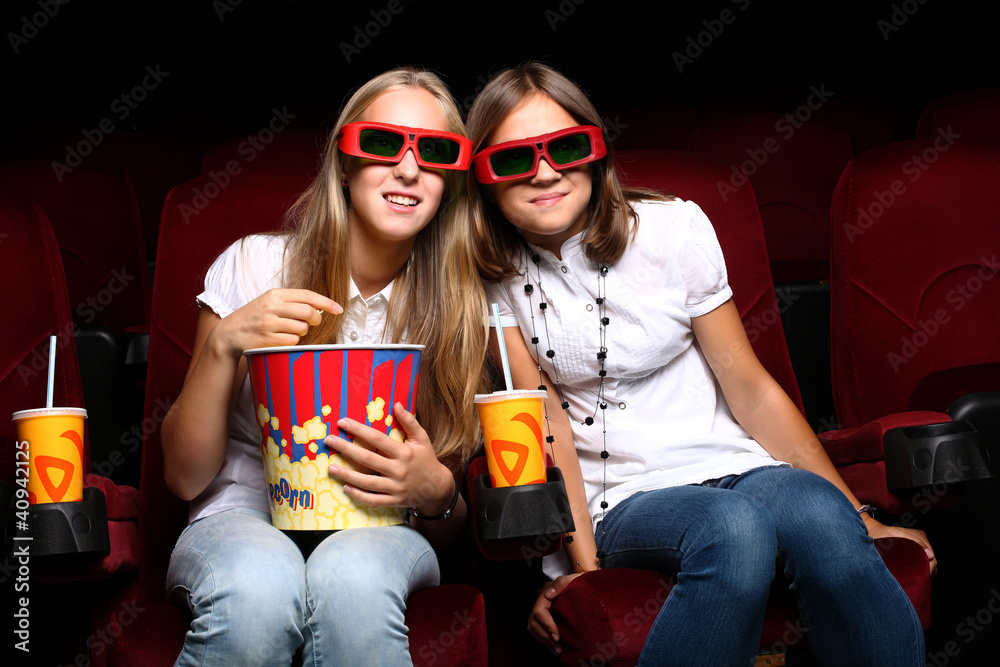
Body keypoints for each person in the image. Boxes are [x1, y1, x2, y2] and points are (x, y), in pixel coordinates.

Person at [466, 62, 935, 666]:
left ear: (595, 151)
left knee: (817, 511)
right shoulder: (492, 281)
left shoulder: (673, 228)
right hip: (626, 497)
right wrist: (580, 571)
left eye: (566, 147)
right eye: (513, 160)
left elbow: (750, 389)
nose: (547, 172)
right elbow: (545, 427)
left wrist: (863, 521)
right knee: (731, 526)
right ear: (482, 177)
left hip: (735, 465)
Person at [161, 67, 489, 667]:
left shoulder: (460, 306)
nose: (410, 169)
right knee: (257, 590)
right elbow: (183, 478)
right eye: (385, 143)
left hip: (385, 531)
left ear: (451, 181)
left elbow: (448, 523)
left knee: (354, 583)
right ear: (343, 162)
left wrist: (438, 491)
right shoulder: (255, 265)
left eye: (435, 151)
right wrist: (224, 344)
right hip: (241, 513)